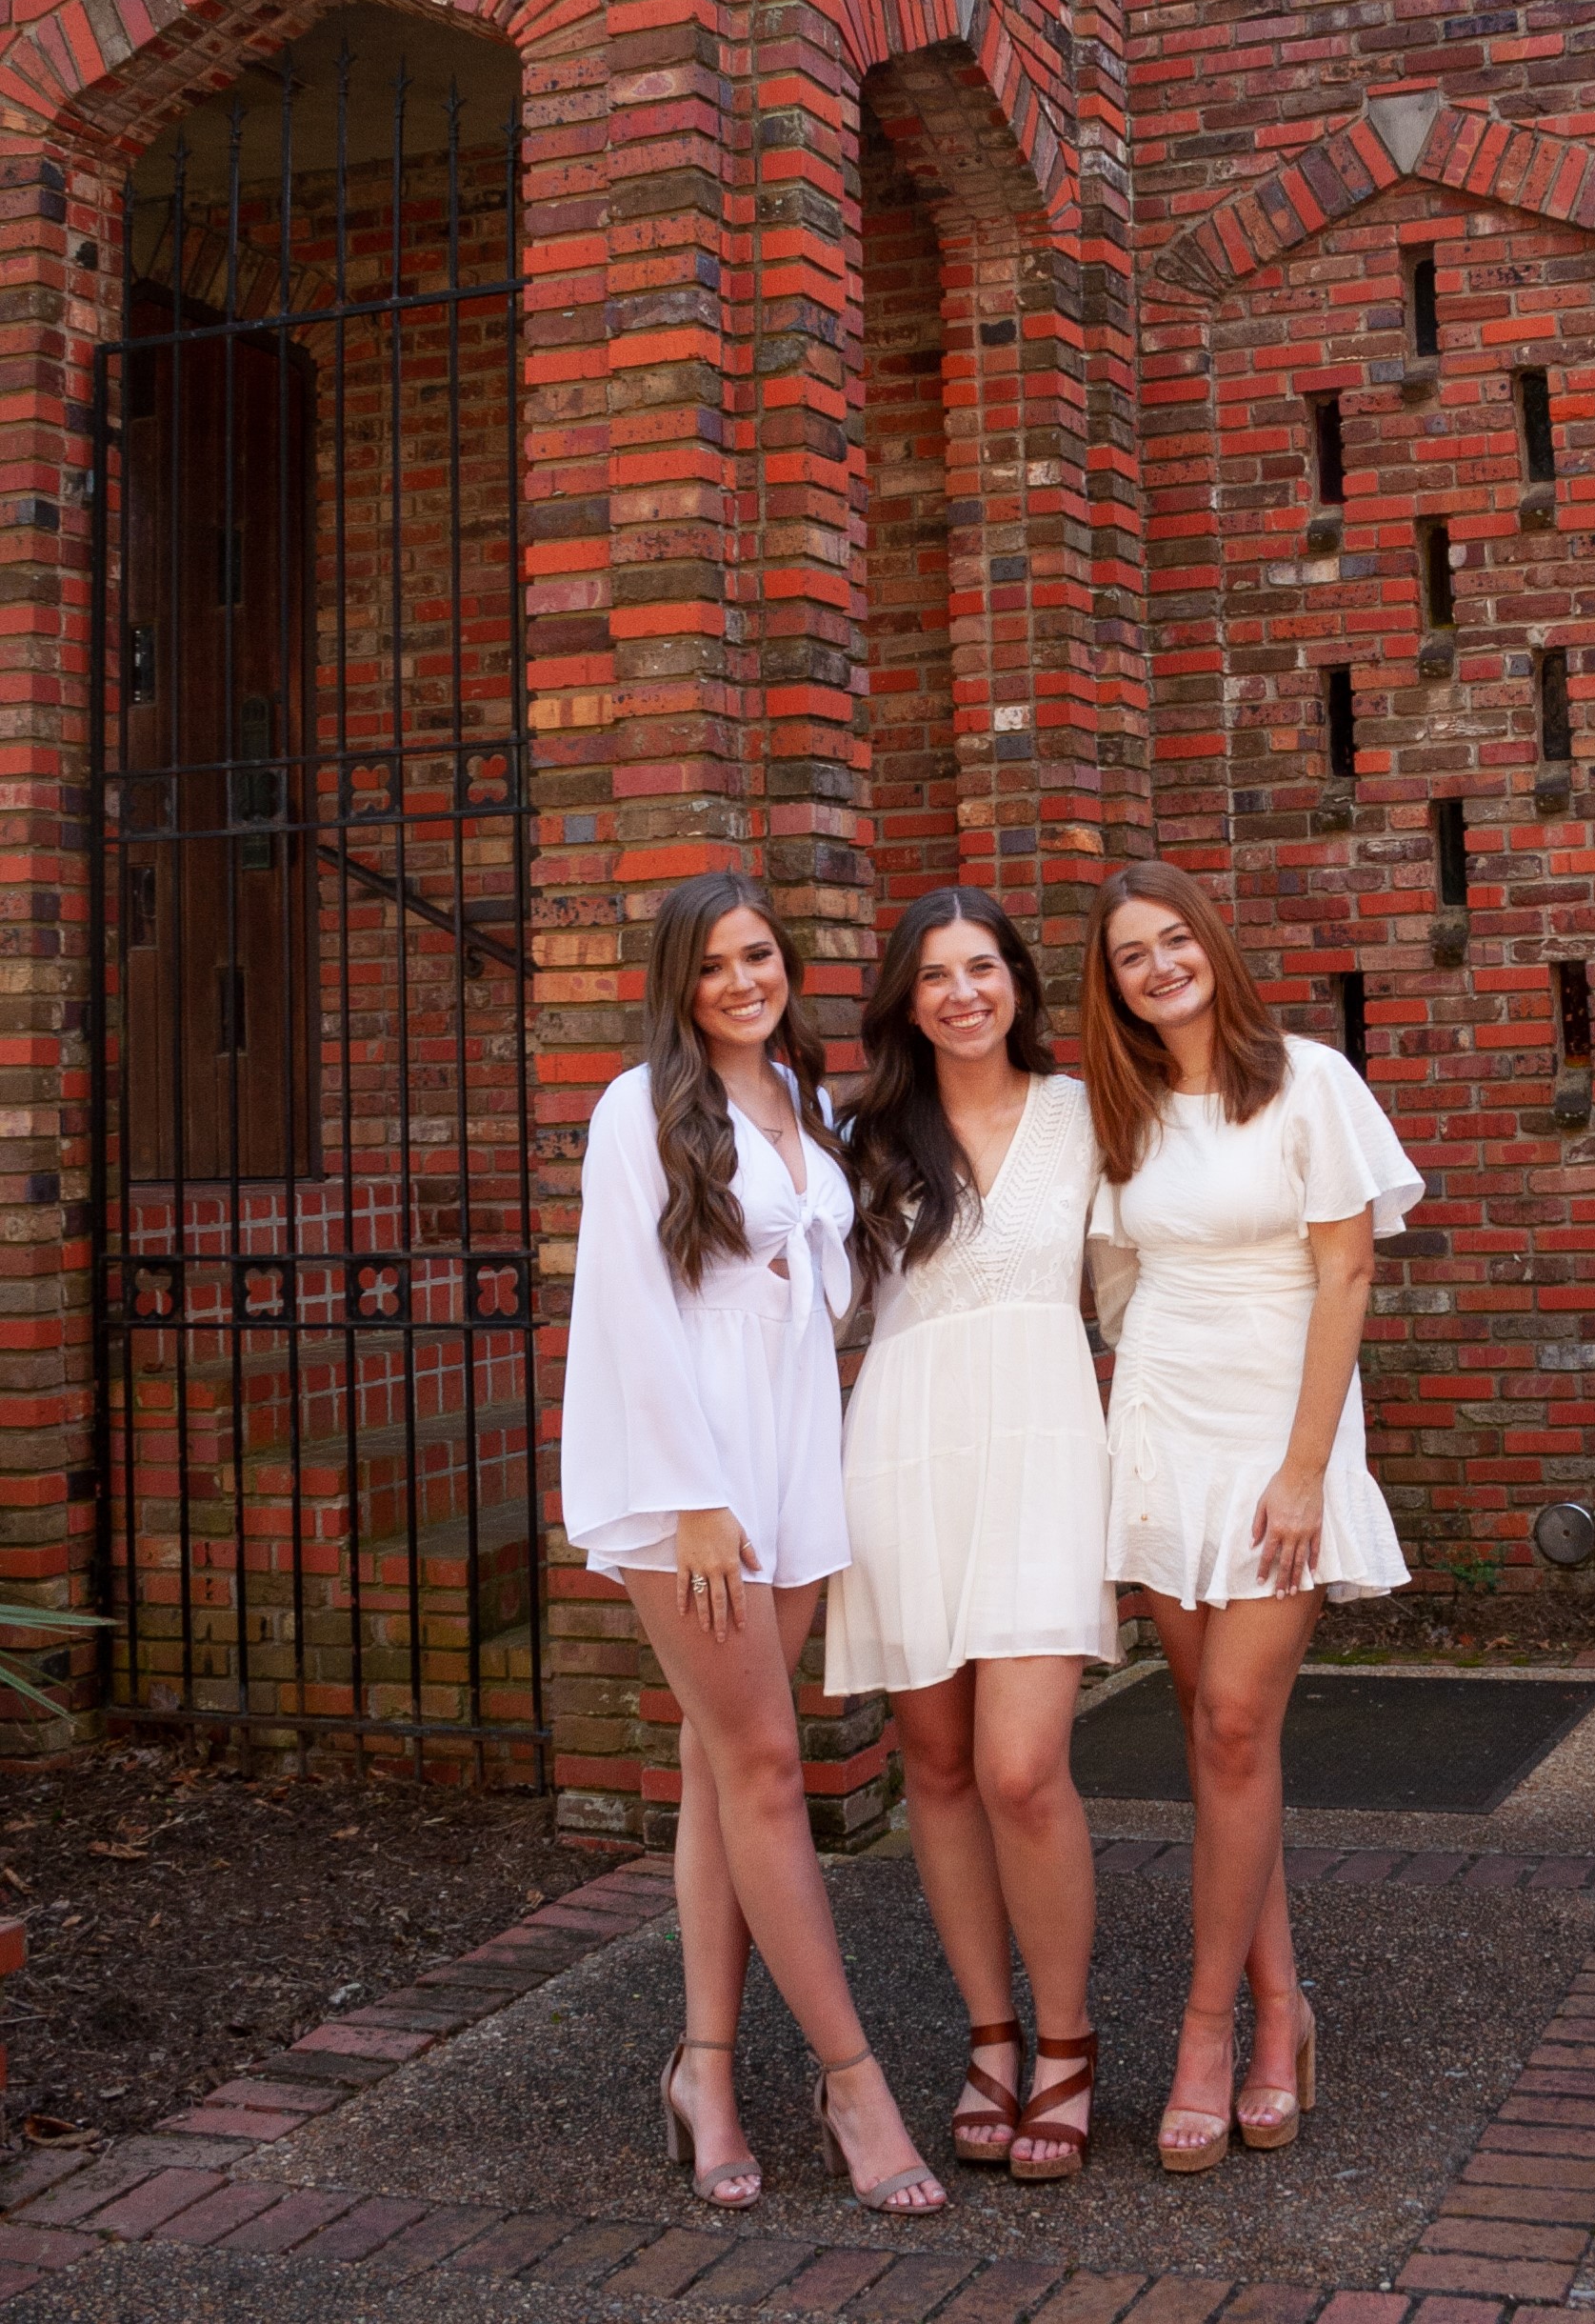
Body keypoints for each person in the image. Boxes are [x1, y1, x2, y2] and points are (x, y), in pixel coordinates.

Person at [560, 872, 945, 2216]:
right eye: (714, 963)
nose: (741, 980)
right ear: (680, 981)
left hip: (792, 1457)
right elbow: (627, 1308)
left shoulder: (815, 1107)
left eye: (759, 955)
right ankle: (854, 2082)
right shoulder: (638, 1109)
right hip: (695, 1479)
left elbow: (832, 1292)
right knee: (770, 1766)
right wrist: (691, 1494)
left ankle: (706, 2070)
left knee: (721, 1762)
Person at [1081, 862, 1424, 2173]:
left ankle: (1206, 2032)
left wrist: (1303, 1465)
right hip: (1164, 1429)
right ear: (1107, 982)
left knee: (1232, 1725)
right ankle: (1284, 2015)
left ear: (1213, 948)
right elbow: (1116, 1283)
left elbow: (1344, 1269)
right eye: (1129, 954)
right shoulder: (1118, 1114)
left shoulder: (1306, 1080)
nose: (1159, 965)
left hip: (1282, 1435)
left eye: (1175, 941)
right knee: (1219, 1742)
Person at [828, 888, 1118, 2183]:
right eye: (935, 974)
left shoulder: (1083, 1115)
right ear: (904, 999)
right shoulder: (863, 1134)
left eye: (982, 968)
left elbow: (1138, 1286)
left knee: (1018, 1770)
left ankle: (1068, 2040)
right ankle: (989, 2037)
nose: (961, 992)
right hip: (900, 1454)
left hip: (1044, 1452)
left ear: (1017, 984)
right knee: (935, 1769)